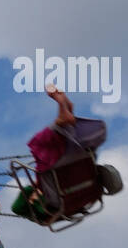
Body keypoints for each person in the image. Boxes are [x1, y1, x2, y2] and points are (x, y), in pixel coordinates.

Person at [12, 85, 121, 222]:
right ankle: (62, 120)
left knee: (65, 149)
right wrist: (34, 190)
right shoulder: (54, 206)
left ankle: (65, 118)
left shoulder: (93, 193)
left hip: (73, 170)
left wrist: (34, 191)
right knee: (46, 151)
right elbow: (18, 208)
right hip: (64, 182)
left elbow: (19, 207)